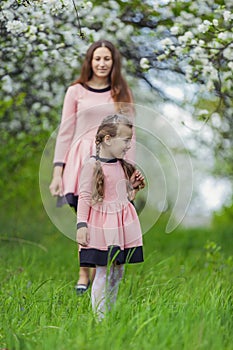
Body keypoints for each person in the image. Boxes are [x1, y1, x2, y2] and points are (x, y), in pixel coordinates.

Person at [49, 40, 135, 295]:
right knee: (84, 215)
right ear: (90, 61)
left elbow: (132, 135)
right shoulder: (75, 91)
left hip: (111, 163)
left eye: (106, 59)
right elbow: (65, 131)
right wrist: (58, 171)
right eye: (97, 58)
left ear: (113, 62)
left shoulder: (120, 92)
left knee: (104, 216)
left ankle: (98, 275)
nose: (101, 63)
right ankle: (83, 272)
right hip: (80, 159)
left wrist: (129, 174)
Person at [76, 114, 145, 320]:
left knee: (118, 271)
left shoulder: (123, 165)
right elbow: (85, 197)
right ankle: (99, 319)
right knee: (103, 271)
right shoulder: (92, 165)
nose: (128, 146)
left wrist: (133, 187)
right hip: (102, 226)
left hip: (121, 226)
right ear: (108, 139)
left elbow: (125, 197)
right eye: (125, 141)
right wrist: (81, 224)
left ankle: (109, 312)